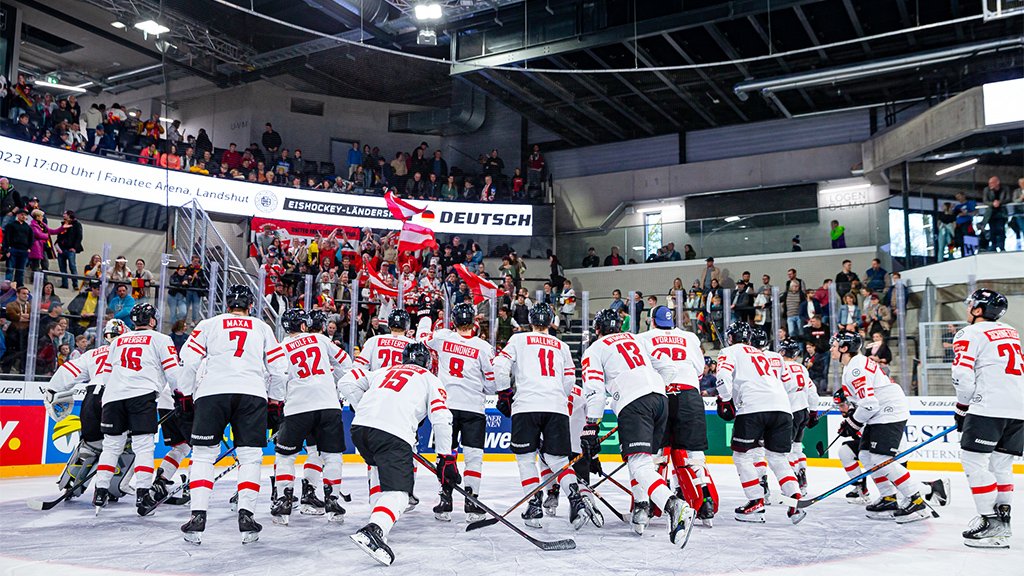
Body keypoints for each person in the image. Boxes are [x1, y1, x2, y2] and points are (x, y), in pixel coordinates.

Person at [177, 285, 289, 544]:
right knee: (250, 456)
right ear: (250, 307)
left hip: (212, 392)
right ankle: (247, 516)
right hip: (251, 392)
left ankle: (197, 517)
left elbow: (190, 360)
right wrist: (275, 400)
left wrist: (184, 393)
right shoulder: (262, 327)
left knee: (204, 454)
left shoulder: (209, 324)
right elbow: (279, 369)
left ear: (227, 305)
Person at [580, 308, 695, 542]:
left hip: (634, 403)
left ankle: (673, 505)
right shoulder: (636, 338)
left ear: (598, 330)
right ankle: (641, 510)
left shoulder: (595, 349)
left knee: (640, 463)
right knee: (642, 461)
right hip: (660, 398)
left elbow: (594, 391)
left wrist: (592, 426)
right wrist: (651, 388)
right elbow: (669, 368)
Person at [337, 342, 456, 566]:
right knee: (401, 492)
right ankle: (375, 529)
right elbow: (441, 418)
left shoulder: (384, 370)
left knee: (378, 466)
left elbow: (346, 381)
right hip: (393, 433)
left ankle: (378, 511)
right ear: (428, 363)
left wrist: (363, 405)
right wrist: (445, 457)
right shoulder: (430, 378)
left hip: (360, 428)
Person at [493, 303, 593, 530]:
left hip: (527, 405)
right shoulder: (561, 345)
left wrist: (504, 394)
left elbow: (499, 365)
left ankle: (534, 502)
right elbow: (569, 380)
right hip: (556, 406)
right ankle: (576, 499)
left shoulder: (519, 339)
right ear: (550, 322)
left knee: (526, 458)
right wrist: (558, 396)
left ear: (530, 321)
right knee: (558, 460)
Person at [91, 304, 181, 516]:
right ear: (151, 321)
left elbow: (106, 374)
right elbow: (173, 372)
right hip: (141, 396)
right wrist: (181, 395)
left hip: (113, 398)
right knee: (143, 447)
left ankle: (100, 491)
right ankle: (143, 494)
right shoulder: (160, 339)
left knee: (111, 446)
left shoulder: (119, 341)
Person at [832, 330, 930, 523]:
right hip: (880, 412)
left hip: (888, 411)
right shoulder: (854, 364)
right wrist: (851, 420)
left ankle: (916, 499)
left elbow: (870, 403)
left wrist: (852, 424)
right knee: (866, 455)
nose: (831, 349)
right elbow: (865, 402)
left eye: (834, 346)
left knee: (880, 458)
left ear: (844, 348)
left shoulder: (855, 368)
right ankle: (888, 497)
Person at [269, 309, 353, 525]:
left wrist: (276, 402)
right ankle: (332, 500)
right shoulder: (320, 339)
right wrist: (330, 378)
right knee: (332, 455)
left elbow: (276, 376)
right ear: (304, 326)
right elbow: (345, 363)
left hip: (298, 406)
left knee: (285, 456)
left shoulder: (281, 348)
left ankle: (284, 501)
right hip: (328, 404)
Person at [715, 321, 805, 524]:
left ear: (730, 338)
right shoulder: (763, 354)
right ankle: (794, 501)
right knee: (778, 458)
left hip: (753, 408)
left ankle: (756, 502)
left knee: (742, 456)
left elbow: (722, 375)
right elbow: (787, 382)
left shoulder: (729, 350)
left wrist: (726, 399)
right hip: (782, 409)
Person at [951, 289, 1022, 548]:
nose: (968, 307)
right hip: (1018, 407)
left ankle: (990, 522)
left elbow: (962, 374)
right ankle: (1003, 523)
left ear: (979, 309)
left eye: (971, 303)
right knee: (1002, 466)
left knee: (973, 461)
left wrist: (961, 407)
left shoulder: (969, 333)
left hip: (989, 405)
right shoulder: (1010, 331)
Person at [637, 306, 718, 527]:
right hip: (689, 395)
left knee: (656, 454)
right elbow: (700, 370)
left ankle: (649, 506)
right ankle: (705, 503)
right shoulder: (689, 337)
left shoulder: (642, 338)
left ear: (652, 321)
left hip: (660, 395)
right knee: (694, 454)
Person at [421, 303, 495, 523]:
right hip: (474, 408)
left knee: (446, 454)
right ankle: (472, 501)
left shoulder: (443, 337)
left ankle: (445, 500)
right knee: (474, 458)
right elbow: (491, 384)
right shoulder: (483, 347)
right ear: (474, 322)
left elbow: (423, 338)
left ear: (452, 321)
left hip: (447, 408)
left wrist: (426, 316)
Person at [41, 319, 129, 501]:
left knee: (91, 445)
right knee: (125, 444)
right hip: (116, 397)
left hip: (91, 399)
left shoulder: (93, 353)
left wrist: (52, 391)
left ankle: (71, 484)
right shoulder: (129, 351)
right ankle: (112, 487)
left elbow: (68, 371)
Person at [778, 338, 820, 493]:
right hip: (803, 410)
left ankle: (794, 479)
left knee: (785, 451)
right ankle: (802, 476)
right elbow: (812, 390)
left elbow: (783, 388)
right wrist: (814, 412)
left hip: (790, 411)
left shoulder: (781, 368)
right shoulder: (802, 368)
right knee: (797, 447)